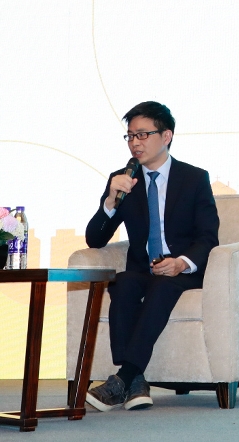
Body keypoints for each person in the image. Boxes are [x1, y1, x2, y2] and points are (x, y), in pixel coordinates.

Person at [84, 101, 219, 411]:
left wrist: (181, 263)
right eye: (130, 136)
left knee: (163, 286)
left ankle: (123, 377)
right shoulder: (123, 179)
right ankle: (135, 382)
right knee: (122, 284)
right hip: (143, 269)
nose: (135, 143)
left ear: (166, 136)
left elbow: (208, 237)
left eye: (143, 135)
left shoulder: (194, 178)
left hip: (183, 271)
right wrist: (110, 201)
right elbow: (95, 238)